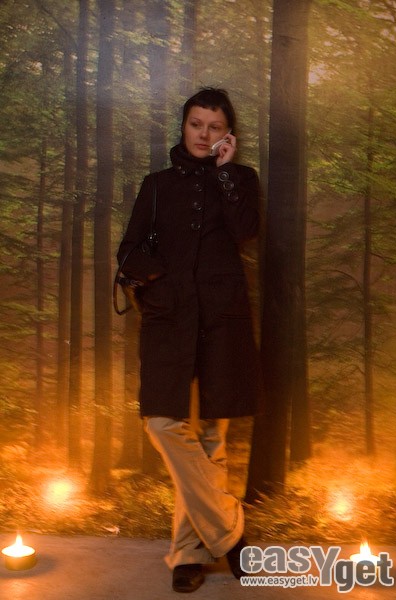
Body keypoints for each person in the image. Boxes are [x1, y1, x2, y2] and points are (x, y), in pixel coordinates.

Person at [117, 87, 262, 593]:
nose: (204, 134)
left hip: (223, 318)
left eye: (214, 127)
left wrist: (225, 172)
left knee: (212, 439)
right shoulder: (156, 185)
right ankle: (229, 533)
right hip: (169, 318)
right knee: (163, 422)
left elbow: (246, 230)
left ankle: (188, 554)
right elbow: (129, 249)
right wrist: (159, 283)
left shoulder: (240, 179)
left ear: (228, 134)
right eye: (196, 124)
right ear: (183, 126)